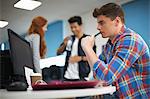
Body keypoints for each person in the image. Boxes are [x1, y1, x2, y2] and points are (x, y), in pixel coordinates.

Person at [81, 3, 150, 99]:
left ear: (117, 21)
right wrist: (98, 84)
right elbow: (97, 73)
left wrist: (88, 48)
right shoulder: (109, 45)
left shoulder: (130, 40)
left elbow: (106, 77)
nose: (98, 27)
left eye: (101, 23)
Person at [57, 16, 96, 81]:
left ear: (81, 25)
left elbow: (93, 57)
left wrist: (80, 58)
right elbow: (58, 53)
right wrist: (64, 44)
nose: (73, 29)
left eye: (75, 27)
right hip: (67, 76)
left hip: (81, 77)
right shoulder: (69, 39)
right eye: (71, 27)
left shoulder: (88, 39)